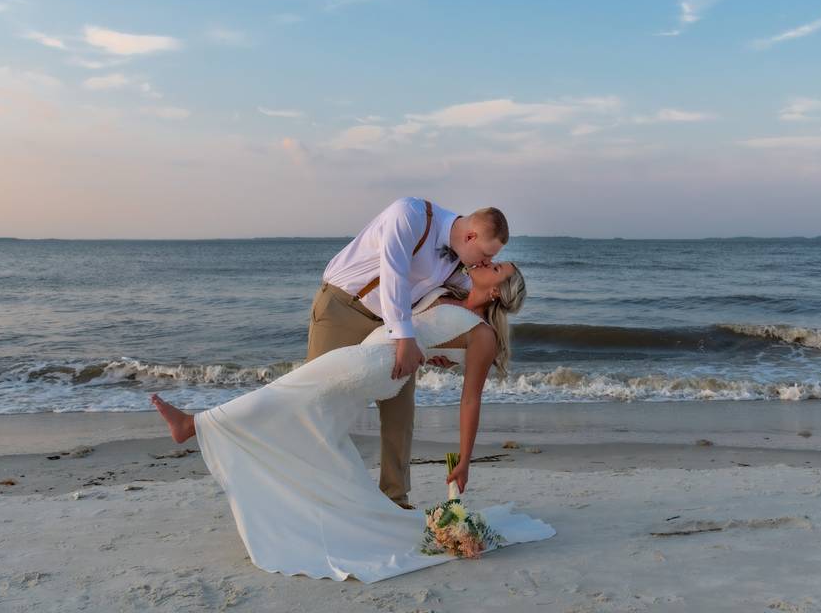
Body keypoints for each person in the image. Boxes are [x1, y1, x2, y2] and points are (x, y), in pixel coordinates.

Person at [149, 261, 555, 583]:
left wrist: (464, 459)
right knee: (307, 416)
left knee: (289, 393)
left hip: (372, 365)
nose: (487, 263)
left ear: (498, 291)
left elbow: (470, 400)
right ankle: (308, 498)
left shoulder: (483, 334)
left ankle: (194, 425)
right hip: (373, 350)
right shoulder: (451, 292)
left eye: (497, 268)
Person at [307, 197, 509, 509]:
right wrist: (405, 339)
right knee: (316, 403)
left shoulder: (460, 265)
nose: (483, 263)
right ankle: (315, 494)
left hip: (393, 327)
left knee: (400, 414)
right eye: (486, 255)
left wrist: (440, 349)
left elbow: (445, 305)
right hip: (343, 308)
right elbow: (393, 275)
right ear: (470, 236)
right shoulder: (410, 215)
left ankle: (395, 499)